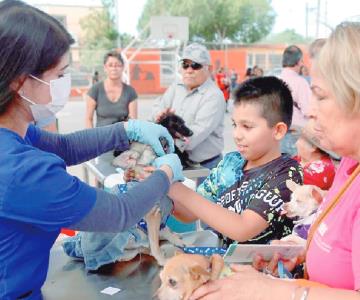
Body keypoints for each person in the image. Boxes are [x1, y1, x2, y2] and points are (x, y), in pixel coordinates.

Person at [0, 1, 184, 299]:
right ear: (21, 81)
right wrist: (166, 172)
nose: (65, 84)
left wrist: (126, 130)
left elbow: (63, 146)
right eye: (59, 75)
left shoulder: (13, 133)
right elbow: (118, 213)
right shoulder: (20, 171)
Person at [190, 22, 360, 300]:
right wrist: (305, 252)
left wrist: (276, 291)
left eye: (320, 96)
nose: (311, 112)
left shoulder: (287, 172)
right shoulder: (350, 166)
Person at [163, 76, 303, 247]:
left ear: (278, 131)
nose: (236, 134)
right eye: (234, 124)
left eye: (247, 126)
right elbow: (188, 214)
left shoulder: (287, 174)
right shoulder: (230, 163)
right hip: (223, 263)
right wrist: (159, 188)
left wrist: (176, 188)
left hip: (261, 270)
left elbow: (243, 229)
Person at [152, 43, 225, 184]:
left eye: (195, 65)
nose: (189, 70)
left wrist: (160, 141)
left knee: (202, 206)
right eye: (185, 64)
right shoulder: (176, 87)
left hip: (205, 168)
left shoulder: (213, 96)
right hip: (178, 162)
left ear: (208, 68)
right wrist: (159, 116)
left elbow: (192, 138)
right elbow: (157, 108)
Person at [85, 51, 138, 128]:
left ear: (123, 67)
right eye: (110, 65)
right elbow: (88, 119)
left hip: (122, 136)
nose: (114, 68)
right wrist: (91, 138)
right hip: (100, 137)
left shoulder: (130, 92)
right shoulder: (95, 90)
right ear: (105, 68)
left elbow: (133, 122)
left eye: (117, 65)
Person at [280, 45, 311, 156]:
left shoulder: (274, 80)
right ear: (297, 62)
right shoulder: (300, 82)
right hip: (295, 134)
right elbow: (308, 111)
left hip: (277, 134)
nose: (302, 63)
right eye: (301, 60)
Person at [293, 120, 336, 190]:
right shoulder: (301, 159)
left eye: (301, 139)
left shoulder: (321, 170)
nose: (296, 143)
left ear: (313, 147)